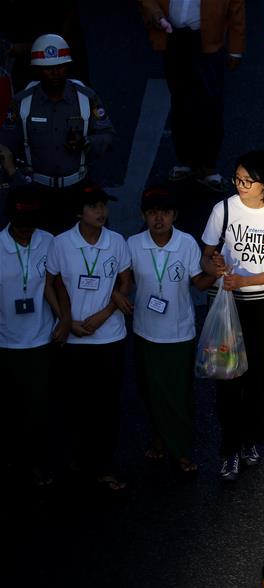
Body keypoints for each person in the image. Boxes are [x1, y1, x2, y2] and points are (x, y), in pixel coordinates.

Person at [200, 150, 264, 481]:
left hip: (261, 304)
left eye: (247, 180)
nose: (240, 185)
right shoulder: (222, 210)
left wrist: (244, 280)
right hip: (225, 303)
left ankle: (253, 439)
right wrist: (215, 267)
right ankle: (229, 450)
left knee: (255, 374)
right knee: (227, 376)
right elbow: (206, 255)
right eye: (237, 179)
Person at [44, 183, 133, 495]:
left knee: (106, 406)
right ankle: (81, 460)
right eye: (94, 207)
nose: (102, 212)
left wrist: (105, 313)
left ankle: (104, 467)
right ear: (78, 212)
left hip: (108, 337)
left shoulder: (116, 241)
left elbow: (125, 280)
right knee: (75, 404)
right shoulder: (60, 243)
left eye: (103, 206)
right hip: (75, 339)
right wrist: (65, 320)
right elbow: (50, 284)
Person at [128, 187, 214, 476]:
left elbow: (199, 283)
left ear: (174, 215)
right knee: (151, 390)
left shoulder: (186, 243)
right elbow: (124, 283)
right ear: (144, 216)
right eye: (152, 213)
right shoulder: (133, 245)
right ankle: (159, 437)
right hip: (145, 331)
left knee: (179, 392)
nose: (159, 219)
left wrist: (217, 271)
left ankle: (180, 449)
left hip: (179, 333)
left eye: (164, 212)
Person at [0, 34, 114, 233]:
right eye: (48, 68)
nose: (55, 73)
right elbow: (5, 146)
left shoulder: (87, 98)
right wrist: (15, 178)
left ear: (68, 66)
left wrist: (85, 142)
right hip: (36, 192)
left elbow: (107, 135)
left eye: (60, 66)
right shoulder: (21, 102)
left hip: (77, 190)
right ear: (37, 70)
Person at [139, 0, 246, 192]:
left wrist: (236, 49)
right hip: (175, 38)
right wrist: (155, 14)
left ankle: (208, 165)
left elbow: (236, 7)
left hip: (206, 42)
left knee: (210, 103)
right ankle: (186, 159)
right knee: (181, 102)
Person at [0, 188, 56, 487]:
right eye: (21, 225)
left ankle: (35, 464)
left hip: (39, 341)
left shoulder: (48, 241)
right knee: (10, 407)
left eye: (31, 224)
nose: (26, 231)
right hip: (6, 342)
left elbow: (57, 283)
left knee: (38, 407)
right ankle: (12, 461)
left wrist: (63, 319)